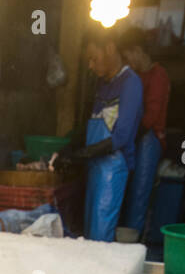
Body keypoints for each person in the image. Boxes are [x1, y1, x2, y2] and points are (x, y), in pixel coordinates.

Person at [54, 26, 143, 242]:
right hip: (95, 168)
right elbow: (91, 124)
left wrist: (82, 154)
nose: (91, 66)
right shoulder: (103, 85)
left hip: (113, 170)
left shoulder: (131, 83)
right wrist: (69, 149)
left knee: (101, 235)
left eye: (94, 59)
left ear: (110, 48)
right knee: (90, 232)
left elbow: (121, 136)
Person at [118, 27, 170, 238]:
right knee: (127, 190)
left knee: (140, 193)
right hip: (134, 136)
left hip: (149, 138)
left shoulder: (158, 75)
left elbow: (151, 116)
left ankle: (132, 242)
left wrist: (128, 136)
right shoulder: (134, 76)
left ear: (138, 50)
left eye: (128, 55)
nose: (127, 60)